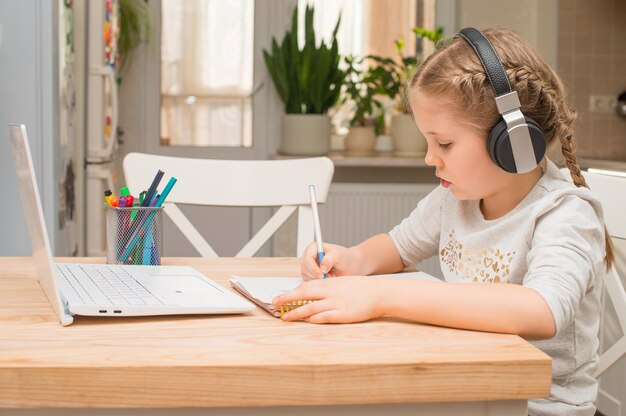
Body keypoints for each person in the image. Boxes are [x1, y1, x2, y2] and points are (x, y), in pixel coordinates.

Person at [272, 27, 614, 416]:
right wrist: (352, 259)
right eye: (427, 143)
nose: (430, 158)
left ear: (514, 142)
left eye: (445, 143)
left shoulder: (565, 214)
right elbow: (399, 247)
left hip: (535, 407)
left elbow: (541, 310)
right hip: (464, 389)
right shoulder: (455, 198)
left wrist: (382, 296)